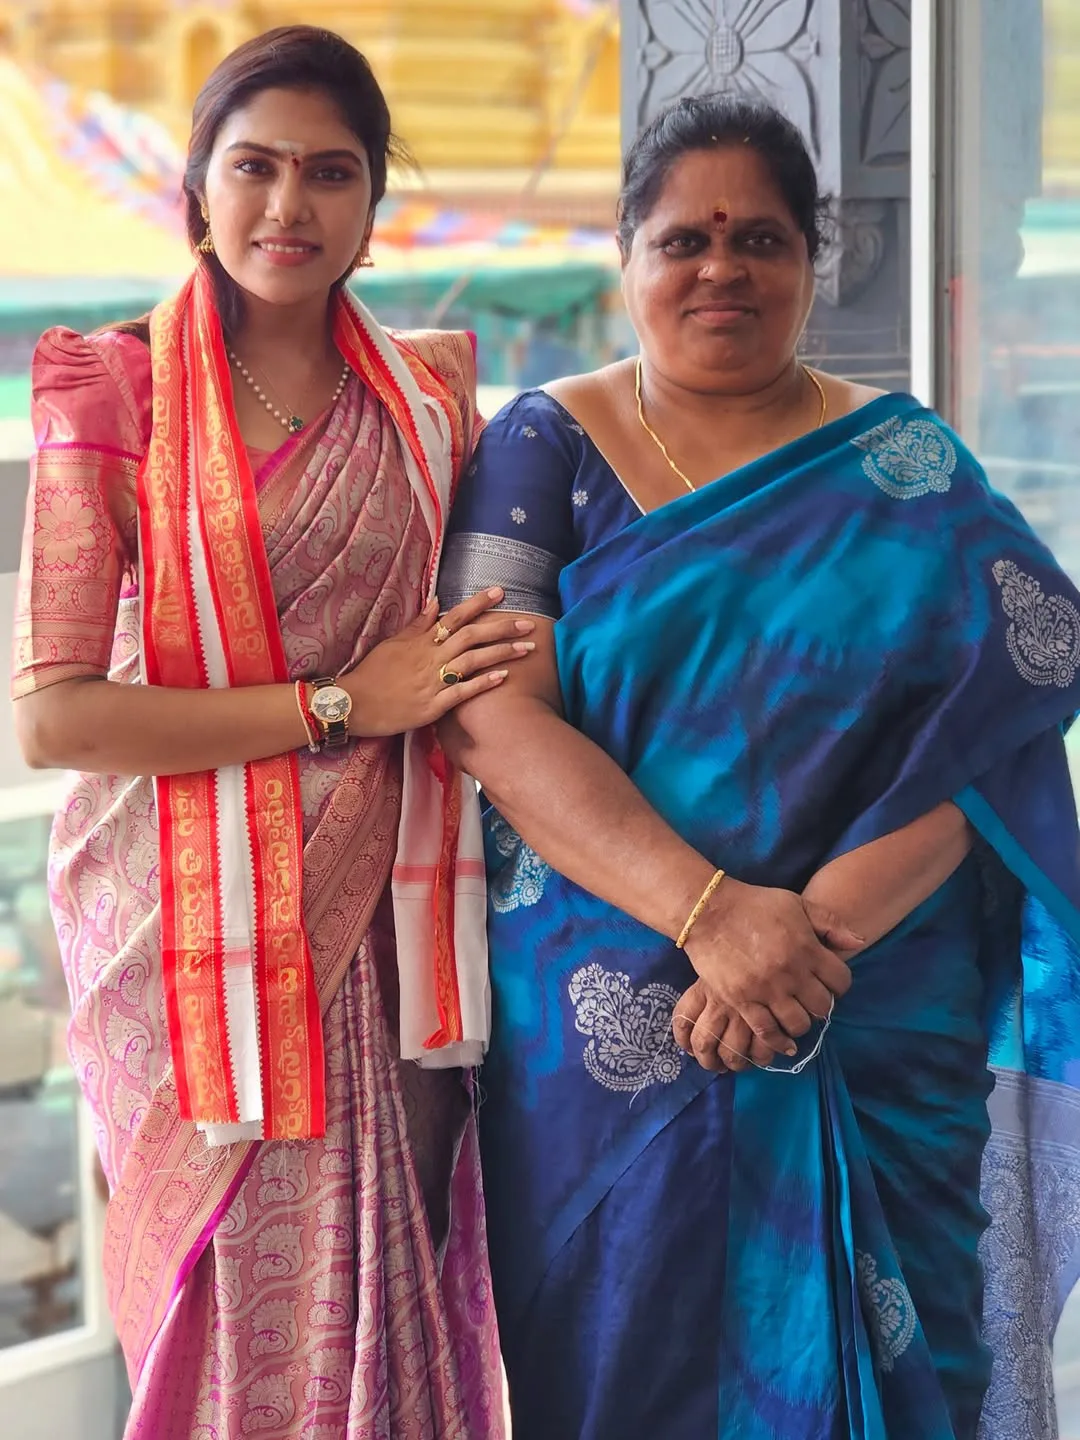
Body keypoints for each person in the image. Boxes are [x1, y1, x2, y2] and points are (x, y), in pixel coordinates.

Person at [437, 93, 1080, 1440]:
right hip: (620, 1017)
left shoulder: (905, 464)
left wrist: (803, 945)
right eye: (684, 239)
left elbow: (1006, 717)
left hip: (874, 997)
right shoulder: (542, 450)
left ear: (810, 261)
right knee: (623, 1365)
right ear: (627, 256)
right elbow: (493, 717)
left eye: (761, 239)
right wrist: (713, 919)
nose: (721, 267)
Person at [11, 26, 519, 1439]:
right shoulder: (113, 390)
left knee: (393, 1280)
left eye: (329, 173)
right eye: (255, 168)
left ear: (370, 206)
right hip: (177, 933)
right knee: (225, 1320)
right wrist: (346, 704)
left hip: (387, 926)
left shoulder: (426, 400)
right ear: (198, 189)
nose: (287, 206)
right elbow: (55, 716)